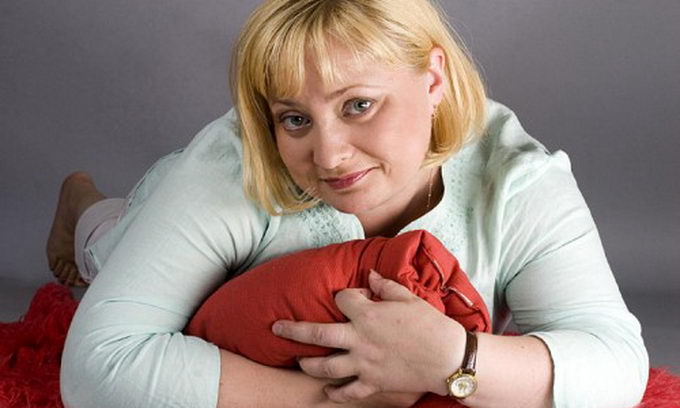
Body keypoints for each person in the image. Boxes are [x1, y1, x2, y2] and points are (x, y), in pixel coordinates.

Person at [48, 0, 649, 407]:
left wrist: (453, 359)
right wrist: (339, 398)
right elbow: (97, 369)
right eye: (294, 118)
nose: (329, 155)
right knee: (112, 248)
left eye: (359, 105)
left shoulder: (514, 177)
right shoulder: (230, 168)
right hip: (157, 214)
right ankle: (85, 203)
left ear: (433, 80)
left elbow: (617, 361)